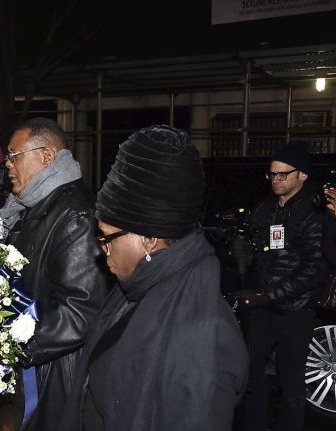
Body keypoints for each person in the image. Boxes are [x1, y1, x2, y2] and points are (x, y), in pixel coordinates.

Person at [61, 125, 248, 431]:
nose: (102, 250)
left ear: (148, 238)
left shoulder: (207, 337)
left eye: (107, 238)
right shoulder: (133, 291)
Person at [0, 117, 105, 431]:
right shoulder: (35, 206)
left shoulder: (73, 214)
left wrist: (9, 347)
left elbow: (80, 311)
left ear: (46, 157)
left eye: (14, 156)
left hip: (56, 375)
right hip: (36, 369)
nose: (7, 166)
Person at [235, 140, 328, 431]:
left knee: (291, 385)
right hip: (264, 309)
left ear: (302, 175)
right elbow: (260, 254)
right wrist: (242, 248)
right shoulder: (266, 209)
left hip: (295, 312)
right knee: (252, 376)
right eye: (272, 175)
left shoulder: (315, 213)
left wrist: (265, 296)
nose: (275, 180)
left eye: (282, 175)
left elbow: (312, 270)